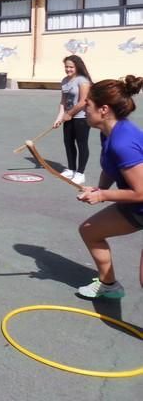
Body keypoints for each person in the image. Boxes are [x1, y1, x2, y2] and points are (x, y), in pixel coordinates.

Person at [76, 75, 143, 299]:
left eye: (87, 105)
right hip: (136, 207)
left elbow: (141, 191)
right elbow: (110, 168)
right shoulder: (109, 133)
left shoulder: (123, 143)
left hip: (139, 199)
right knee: (89, 230)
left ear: (103, 109)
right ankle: (109, 284)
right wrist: (98, 188)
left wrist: (103, 195)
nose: (84, 109)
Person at [53, 55, 92, 185]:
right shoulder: (64, 81)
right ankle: (71, 169)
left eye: (71, 67)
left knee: (81, 144)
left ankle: (80, 173)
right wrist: (59, 117)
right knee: (68, 142)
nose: (68, 69)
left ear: (77, 67)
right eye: (66, 66)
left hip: (81, 118)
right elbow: (63, 101)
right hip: (68, 117)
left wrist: (69, 114)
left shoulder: (83, 80)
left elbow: (83, 101)